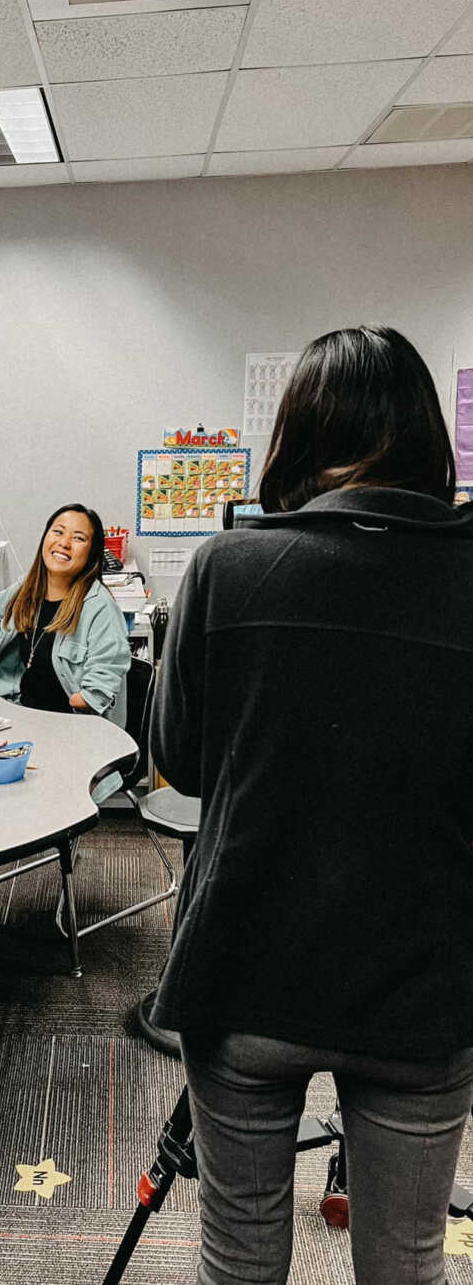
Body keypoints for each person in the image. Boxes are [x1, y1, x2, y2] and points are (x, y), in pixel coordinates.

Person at [150, 325, 473, 1285]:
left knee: (239, 1255)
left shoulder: (225, 569)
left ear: (295, 435)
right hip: (424, 986)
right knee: (405, 1264)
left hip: (246, 967)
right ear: (427, 439)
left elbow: (178, 761)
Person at [0, 504, 130, 742]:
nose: (64, 543)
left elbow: (110, 663)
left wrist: (87, 698)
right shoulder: (27, 588)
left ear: (92, 553)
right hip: (15, 719)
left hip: (68, 734)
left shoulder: (99, 606)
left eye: (78, 538)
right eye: (58, 532)